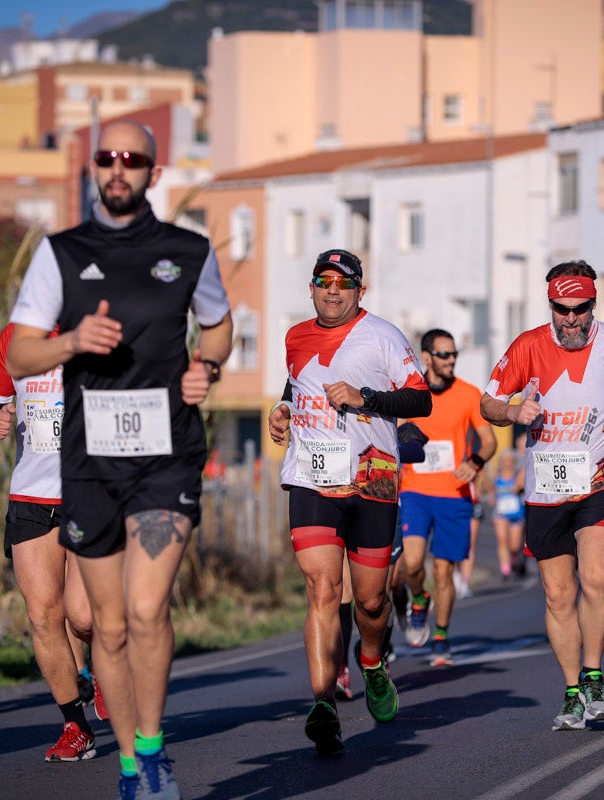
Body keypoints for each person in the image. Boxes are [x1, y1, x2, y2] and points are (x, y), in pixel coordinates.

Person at [5, 119, 233, 800]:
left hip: (166, 454)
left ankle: (156, 752)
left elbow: (219, 324)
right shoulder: (61, 254)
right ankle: (132, 765)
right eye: (107, 157)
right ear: (93, 168)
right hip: (90, 462)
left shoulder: (188, 251)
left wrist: (208, 365)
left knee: (144, 607)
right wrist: (71, 339)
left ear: (153, 174)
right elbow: (20, 353)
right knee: (104, 623)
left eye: (133, 159)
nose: (118, 167)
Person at [480, 260, 604, 731]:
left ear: (593, 303)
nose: (571, 319)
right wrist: (513, 411)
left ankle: (595, 673)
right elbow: (488, 402)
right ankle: (572, 691)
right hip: (547, 484)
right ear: (551, 306)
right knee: (558, 594)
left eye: (579, 309)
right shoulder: (527, 346)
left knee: (597, 577)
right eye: (562, 310)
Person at [268, 248, 431, 754]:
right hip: (313, 477)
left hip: (373, 479)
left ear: (361, 290)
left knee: (371, 600)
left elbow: (420, 399)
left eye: (343, 283)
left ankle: (372, 661)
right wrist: (282, 408)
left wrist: (367, 398)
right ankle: (323, 702)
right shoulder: (295, 336)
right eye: (323, 281)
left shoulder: (382, 335)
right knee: (321, 588)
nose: (332, 290)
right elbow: (299, 384)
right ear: (312, 287)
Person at [0, 321, 102, 762]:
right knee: (44, 615)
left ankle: (104, 666)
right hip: (31, 495)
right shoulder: (14, 335)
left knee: (82, 616)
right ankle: (75, 726)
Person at [399, 328, 496, 665]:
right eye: (444, 354)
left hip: (454, 494)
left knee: (444, 570)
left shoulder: (469, 394)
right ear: (426, 357)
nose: (451, 360)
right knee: (411, 563)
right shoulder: (409, 394)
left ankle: (440, 634)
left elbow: (489, 441)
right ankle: (418, 599)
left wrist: (475, 462)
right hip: (414, 491)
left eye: (454, 354)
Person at [491, 449, 526, 580]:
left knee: (515, 545)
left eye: (510, 461)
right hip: (500, 513)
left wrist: (518, 486)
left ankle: (514, 557)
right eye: (505, 461)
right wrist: (492, 496)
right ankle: (505, 569)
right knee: (502, 540)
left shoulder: (519, 474)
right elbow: (490, 489)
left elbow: (523, 486)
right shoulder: (497, 475)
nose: (507, 464)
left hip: (516, 512)